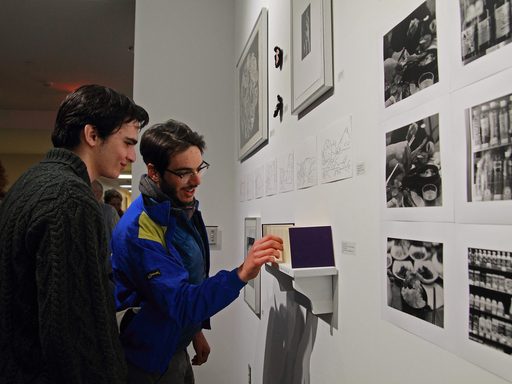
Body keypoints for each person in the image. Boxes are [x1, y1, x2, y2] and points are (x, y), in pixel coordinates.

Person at [111, 119, 283, 384]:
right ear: (154, 172)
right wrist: (240, 274)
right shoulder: (140, 230)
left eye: (199, 168)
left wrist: (195, 330)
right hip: (149, 361)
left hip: (174, 344)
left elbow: (184, 281)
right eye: (183, 173)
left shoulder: (178, 208)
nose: (197, 180)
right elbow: (179, 301)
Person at [0, 84, 149, 383]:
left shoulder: (32, 180)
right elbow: (73, 331)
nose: (133, 156)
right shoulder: (69, 198)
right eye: (128, 142)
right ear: (92, 135)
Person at [92, 180, 120, 276]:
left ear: (100, 194)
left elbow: (118, 238)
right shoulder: (82, 209)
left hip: (106, 266)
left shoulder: (109, 212)